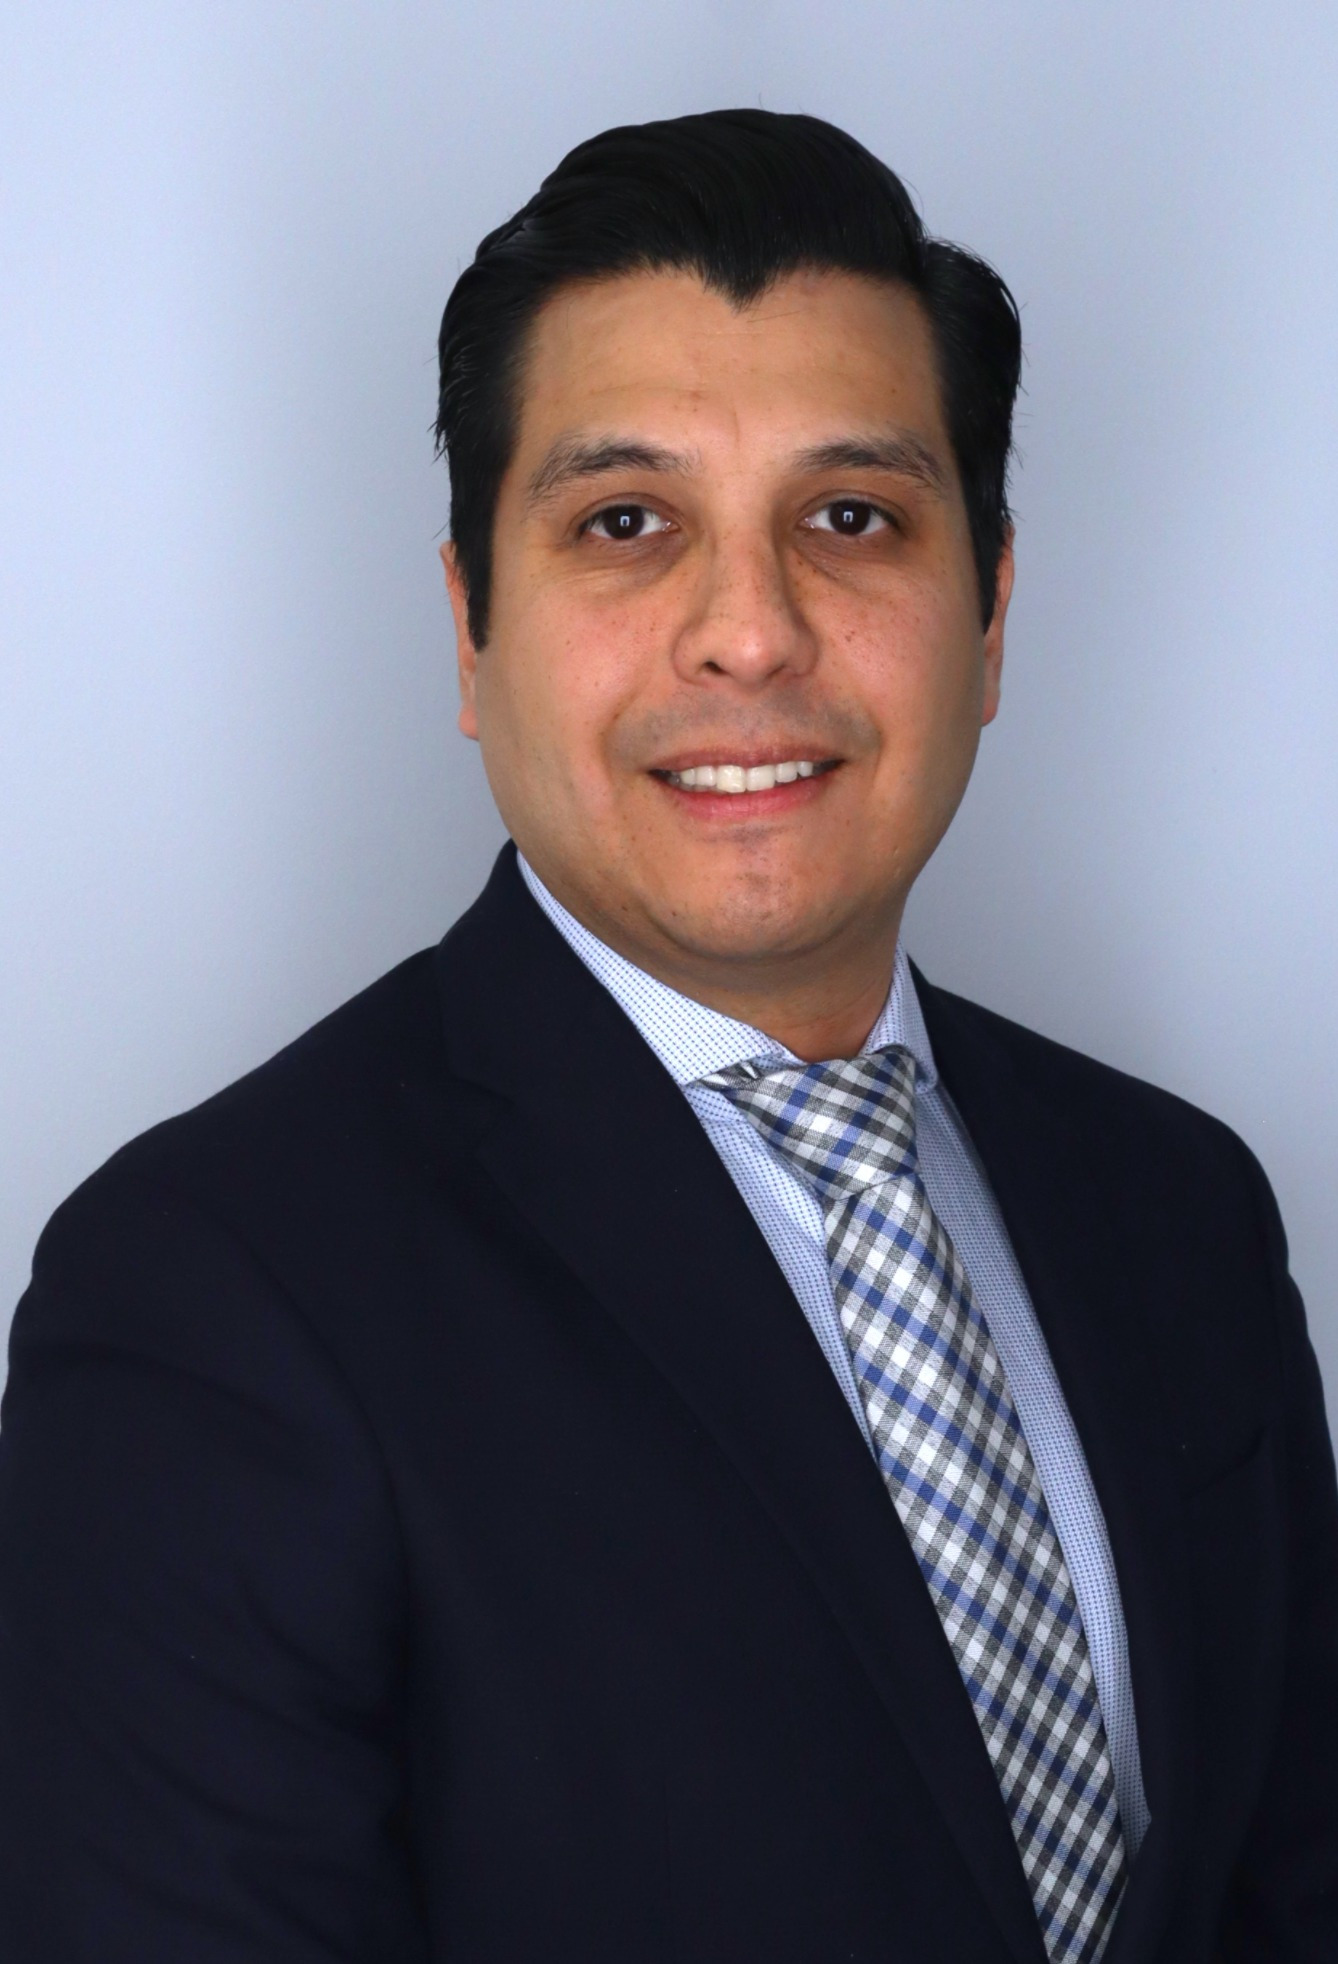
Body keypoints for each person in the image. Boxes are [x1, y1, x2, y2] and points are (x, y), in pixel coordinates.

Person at [0, 107, 1333, 1964]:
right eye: (625, 524)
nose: (749, 635)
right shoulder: (208, 1294)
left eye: (850, 517)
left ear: (989, 618)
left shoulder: (1180, 1205)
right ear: (470, 631)